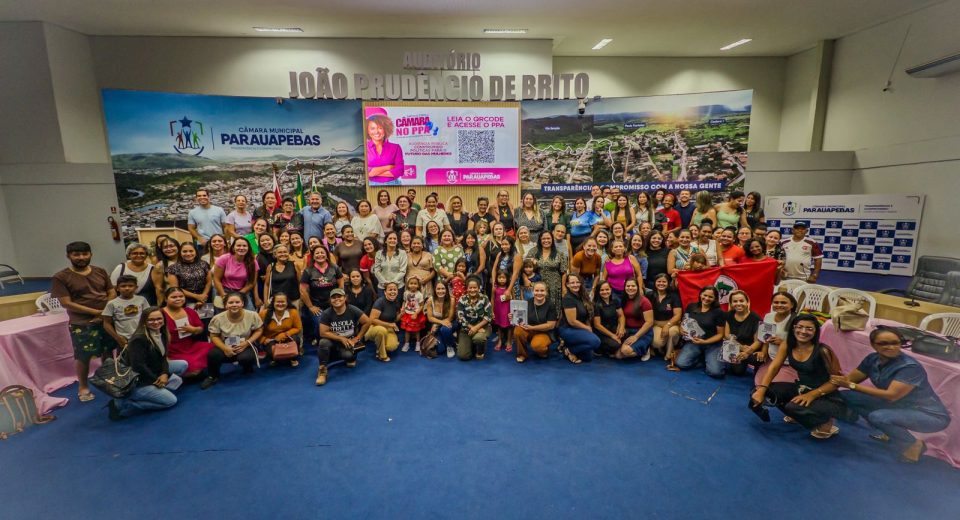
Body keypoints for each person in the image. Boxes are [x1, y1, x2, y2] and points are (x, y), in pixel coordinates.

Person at [831, 328, 951, 463]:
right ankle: (889, 431)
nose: (891, 347)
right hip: (900, 405)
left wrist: (852, 385)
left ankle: (914, 444)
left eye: (895, 343)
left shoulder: (909, 367)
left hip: (929, 415)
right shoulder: (872, 359)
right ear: (873, 345)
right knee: (848, 396)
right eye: (883, 343)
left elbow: (891, 396)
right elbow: (849, 380)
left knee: (878, 417)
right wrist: (818, 390)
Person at [751, 314, 848, 439]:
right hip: (802, 388)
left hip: (826, 395)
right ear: (793, 328)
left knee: (792, 407)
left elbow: (837, 381)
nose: (803, 331)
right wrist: (762, 389)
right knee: (763, 391)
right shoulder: (787, 345)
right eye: (799, 327)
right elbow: (774, 367)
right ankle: (799, 414)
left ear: (816, 331)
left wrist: (812, 394)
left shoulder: (823, 351)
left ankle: (826, 421)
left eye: (809, 328)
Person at [52, 241, 115, 403]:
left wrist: (105, 312)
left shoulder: (100, 271)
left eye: (85, 254)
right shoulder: (61, 277)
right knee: (83, 356)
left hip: (106, 319)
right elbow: (66, 303)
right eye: (76, 255)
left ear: (90, 254)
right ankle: (83, 386)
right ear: (69, 256)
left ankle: (109, 380)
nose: (81, 257)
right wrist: (95, 312)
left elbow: (111, 292)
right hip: (82, 323)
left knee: (108, 351)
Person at [106, 308, 188, 421]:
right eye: (151, 320)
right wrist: (156, 381)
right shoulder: (139, 339)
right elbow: (138, 367)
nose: (156, 322)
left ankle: (155, 390)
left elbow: (163, 357)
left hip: (153, 368)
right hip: (137, 380)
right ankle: (126, 402)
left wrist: (164, 373)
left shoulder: (162, 332)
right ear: (144, 321)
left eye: (159, 319)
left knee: (182, 364)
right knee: (171, 401)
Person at [202, 292, 264, 389]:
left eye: (237, 302)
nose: (234, 305)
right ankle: (212, 376)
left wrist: (247, 343)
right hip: (225, 346)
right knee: (213, 354)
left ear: (242, 303)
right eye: (230, 302)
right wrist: (225, 348)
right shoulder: (217, 318)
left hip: (245, 345)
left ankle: (247, 368)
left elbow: (259, 330)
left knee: (245, 358)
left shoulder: (252, 315)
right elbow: (213, 336)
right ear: (226, 305)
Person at [316, 288, 371, 385]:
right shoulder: (326, 313)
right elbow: (323, 333)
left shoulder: (353, 309)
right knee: (323, 342)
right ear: (330, 300)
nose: (336, 299)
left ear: (345, 298)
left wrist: (358, 337)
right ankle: (322, 370)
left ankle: (345, 357)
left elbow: (367, 322)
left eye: (339, 296)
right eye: (333, 297)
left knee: (349, 357)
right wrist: (341, 338)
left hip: (349, 342)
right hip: (333, 342)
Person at [676, 286, 727, 378]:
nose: (706, 298)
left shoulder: (719, 312)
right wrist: (681, 328)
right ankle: (702, 358)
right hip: (694, 342)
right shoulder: (691, 306)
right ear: (700, 295)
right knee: (681, 364)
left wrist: (705, 342)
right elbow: (684, 321)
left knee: (716, 373)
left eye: (710, 297)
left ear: (715, 298)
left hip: (712, 344)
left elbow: (720, 335)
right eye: (705, 295)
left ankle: (707, 358)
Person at [160, 287, 212, 377]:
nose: (178, 299)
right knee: (193, 370)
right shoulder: (160, 313)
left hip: (189, 346)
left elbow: (201, 328)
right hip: (170, 350)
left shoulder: (190, 311)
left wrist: (193, 330)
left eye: (181, 296)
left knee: (213, 347)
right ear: (165, 299)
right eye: (174, 297)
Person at [300, 245, 344, 343]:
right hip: (317, 305)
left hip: (333, 303)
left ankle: (335, 341)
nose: (320, 255)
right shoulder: (308, 271)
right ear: (313, 256)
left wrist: (340, 299)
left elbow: (341, 282)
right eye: (317, 253)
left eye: (322, 252)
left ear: (326, 255)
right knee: (320, 323)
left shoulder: (334, 267)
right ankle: (321, 341)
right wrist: (311, 307)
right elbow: (303, 290)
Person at [512, 281, 558, 363]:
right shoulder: (527, 302)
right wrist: (513, 317)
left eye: (542, 290)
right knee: (517, 330)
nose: (539, 293)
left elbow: (551, 325)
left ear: (546, 292)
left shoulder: (551, 305)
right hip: (530, 329)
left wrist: (532, 327)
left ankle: (543, 350)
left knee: (538, 346)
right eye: (537, 290)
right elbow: (520, 319)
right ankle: (522, 354)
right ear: (533, 292)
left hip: (544, 332)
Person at [558, 274, 599, 364]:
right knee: (595, 342)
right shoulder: (568, 299)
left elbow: (587, 315)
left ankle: (568, 346)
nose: (575, 284)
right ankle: (569, 350)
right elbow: (572, 321)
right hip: (567, 329)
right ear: (567, 284)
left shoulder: (582, 296)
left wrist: (587, 326)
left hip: (579, 328)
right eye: (572, 283)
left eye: (577, 282)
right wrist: (587, 328)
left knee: (588, 357)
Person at [101, 275, 149, 348]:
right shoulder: (112, 303)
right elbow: (106, 323)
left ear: (136, 287)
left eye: (130, 286)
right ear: (117, 288)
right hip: (124, 340)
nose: (127, 288)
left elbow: (148, 317)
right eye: (123, 286)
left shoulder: (142, 300)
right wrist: (118, 338)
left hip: (142, 337)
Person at [526, 230, 567, 311]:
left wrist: (563, 287)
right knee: (538, 307)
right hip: (537, 285)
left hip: (554, 286)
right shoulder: (533, 252)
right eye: (543, 239)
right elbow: (524, 267)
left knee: (553, 308)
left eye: (548, 238)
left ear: (552, 239)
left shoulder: (559, 254)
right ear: (540, 240)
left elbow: (564, 272)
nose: (546, 241)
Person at [258, 292, 302, 367]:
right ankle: (275, 359)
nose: (280, 304)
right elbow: (257, 330)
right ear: (273, 303)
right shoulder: (263, 314)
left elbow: (298, 328)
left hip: (287, 337)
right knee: (271, 353)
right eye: (278, 302)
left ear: (287, 303)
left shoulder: (293, 312)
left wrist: (284, 334)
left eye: (283, 302)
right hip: (271, 340)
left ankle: (293, 358)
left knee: (296, 339)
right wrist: (263, 339)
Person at [724, 290, 763, 376]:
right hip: (736, 346)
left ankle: (757, 367)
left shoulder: (756, 318)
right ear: (731, 303)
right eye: (735, 301)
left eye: (741, 301)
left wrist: (747, 353)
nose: (738, 303)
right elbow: (727, 335)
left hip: (751, 348)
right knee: (738, 372)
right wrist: (741, 347)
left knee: (757, 359)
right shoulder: (728, 315)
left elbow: (758, 341)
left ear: (747, 302)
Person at [213, 237, 258, 309]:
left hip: (243, 291)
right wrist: (223, 295)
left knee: (250, 313)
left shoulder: (253, 261)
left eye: (244, 246)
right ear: (233, 247)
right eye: (238, 245)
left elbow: (251, 282)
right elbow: (216, 279)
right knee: (223, 314)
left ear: (248, 248)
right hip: (224, 290)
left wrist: (239, 295)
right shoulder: (224, 259)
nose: (241, 248)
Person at [455, 275, 493, 361]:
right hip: (466, 329)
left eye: (475, 287)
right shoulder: (462, 299)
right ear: (467, 288)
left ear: (479, 288)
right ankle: (471, 344)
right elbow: (460, 317)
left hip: (482, 327)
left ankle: (480, 351)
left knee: (479, 339)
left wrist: (476, 327)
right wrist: (472, 327)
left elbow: (488, 316)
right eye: (470, 288)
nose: (472, 290)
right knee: (463, 356)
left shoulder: (484, 298)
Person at [165, 242, 212, 309]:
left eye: (191, 251)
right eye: (184, 251)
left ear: (196, 252)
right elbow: (175, 288)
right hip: (184, 298)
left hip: (205, 296)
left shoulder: (204, 264)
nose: (188, 254)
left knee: (206, 315)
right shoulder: (173, 268)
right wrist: (197, 297)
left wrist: (203, 296)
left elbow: (209, 282)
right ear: (180, 253)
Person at [618, 278, 655, 360]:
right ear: (625, 287)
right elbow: (620, 316)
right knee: (618, 355)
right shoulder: (623, 300)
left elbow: (649, 322)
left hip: (642, 332)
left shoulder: (644, 301)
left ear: (638, 287)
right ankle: (640, 348)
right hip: (628, 331)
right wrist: (621, 327)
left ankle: (646, 349)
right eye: (628, 286)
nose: (630, 288)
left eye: (633, 286)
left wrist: (636, 337)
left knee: (625, 351)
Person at [365, 282, 403, 362]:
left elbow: (395, 320)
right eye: (390, 290)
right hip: (375, 327)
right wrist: (388, 324)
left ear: (397, 292)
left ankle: (380, 345)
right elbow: (372, 320)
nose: (392, 292)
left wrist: (401, 314)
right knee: (381, 330)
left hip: (388, 328)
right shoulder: (380, 302)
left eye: (394, 290)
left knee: (391, 347)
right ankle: (382, 355)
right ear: (385, 292)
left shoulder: (396, 302)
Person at [366, 113, 405, 183]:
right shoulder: (365, 148)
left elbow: (400, 170)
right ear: (368, 131)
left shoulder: (396, 148)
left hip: (393, 184)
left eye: (380, 128)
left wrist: (373, 172)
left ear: (385, 129)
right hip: (370, 185)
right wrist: (389, 167)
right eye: (372, 128)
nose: (376, 131)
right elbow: (365, 171)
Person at [424, 280, 457, 358]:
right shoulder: (430, 300)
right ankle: (452, 339)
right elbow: (430, 318)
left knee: (444, 329)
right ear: (435, 290)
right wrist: (439, 323)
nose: (440, 291)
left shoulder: (452, 299)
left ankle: (450, 346)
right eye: (438, 289)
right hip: (438, 325)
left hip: (452, 323)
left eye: (443, 288)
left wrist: (438, 323)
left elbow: (450, 318)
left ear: (446, 289)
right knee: (440, 350)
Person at [262, 244, 301, 310]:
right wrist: (265, 301)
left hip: (294, 301)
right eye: (280, 252)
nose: (283, 254)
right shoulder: (271, 266)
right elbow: (266, 285)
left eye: (285, 252)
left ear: (288, 253)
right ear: (275, 254)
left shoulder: (294, 265)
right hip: (276, 302)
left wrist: (301, 299)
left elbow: (300, 283)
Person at [592, 281, 625, 358]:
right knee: (615, 345)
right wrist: (612, 336)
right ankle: (601, 349)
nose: (605, 292)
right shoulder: (596, 305)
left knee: (626, 334)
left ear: (611, 290)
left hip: (613, 328)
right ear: (598, 291)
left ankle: (619, 349)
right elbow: (597, 325)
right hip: (602, 332)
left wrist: (621, 328)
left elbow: (621, 316)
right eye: (602, 290)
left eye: (607, 289)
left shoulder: (615, 301)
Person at [372, 231, 408, 297]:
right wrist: (385, 282)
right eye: (390, 238)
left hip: (398, 286)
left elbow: (403, 271)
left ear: (397, 241)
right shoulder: (379, 253)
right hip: (383, 286)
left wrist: (393, 283)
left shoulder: (402, 253)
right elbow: (376, 270)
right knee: (382, 303)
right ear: (386, 241)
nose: (392, 240)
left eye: (394, 239)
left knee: (397, 304)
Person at [399, 277, 427, 352]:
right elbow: (404, 301)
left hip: (416, 315)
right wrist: (402, 308)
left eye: (415, 283)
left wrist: (416, 313)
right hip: (407, 314)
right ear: (408, 285)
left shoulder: (419, 294)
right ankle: (406, 344)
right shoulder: (405, 293)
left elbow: (421, 305)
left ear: (418, 285)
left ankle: (418, 343)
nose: (413, 285)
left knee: (417, 330)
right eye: (411, 283)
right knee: (407, 330)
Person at [151, 237, 179, 304]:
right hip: (171, 301)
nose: (169, 249)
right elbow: (159, 288)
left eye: (171, 246)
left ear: (178, 247)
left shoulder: (187, 261)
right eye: (165, 247)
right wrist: (162, 305)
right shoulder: (160, 266)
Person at [491, 270, 513, 353]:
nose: (501, 279)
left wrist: (513, 311)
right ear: (497, 278)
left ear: (507, 279)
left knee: (509, 326)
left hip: (508, 310)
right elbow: (492, 299)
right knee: (499, 325)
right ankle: (500, 340)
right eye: (500, 277)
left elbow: (513, 299)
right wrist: (492, 311)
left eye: (504, 278)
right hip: (498, 310)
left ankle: (509, 341)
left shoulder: (510, 288)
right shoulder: (494, 288)